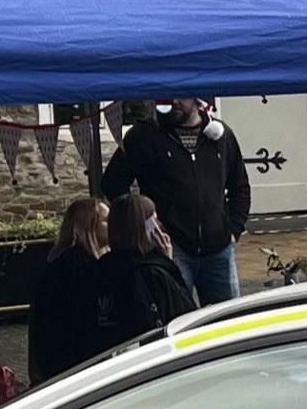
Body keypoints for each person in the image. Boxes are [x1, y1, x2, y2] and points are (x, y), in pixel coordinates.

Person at [97, 98, 250, 306]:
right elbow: (113, 184)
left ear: (198, 100)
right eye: (167, 95)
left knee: (227, 322)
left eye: (181, 94)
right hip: (169, 247)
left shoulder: (221, 136)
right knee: (173, 316)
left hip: (219, 249)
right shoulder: (142, 136)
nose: (173, 101)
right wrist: (143, 225)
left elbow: (240, 187)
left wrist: (233, 229)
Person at [24, 197, 116, 384]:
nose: (112, 227)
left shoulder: (62, 263)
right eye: (106, 221)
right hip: (71, 365)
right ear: (88, 227)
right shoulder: (78, 268)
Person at [96, 193, 198, 341]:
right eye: (154, 220)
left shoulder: (101, 267)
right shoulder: (152, 273)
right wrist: (166, 263)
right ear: (146, 227)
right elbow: (184, 317)